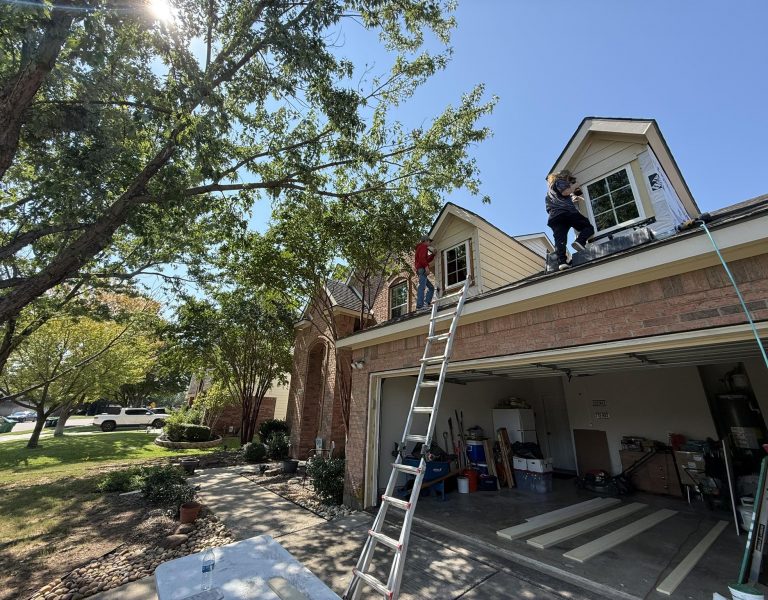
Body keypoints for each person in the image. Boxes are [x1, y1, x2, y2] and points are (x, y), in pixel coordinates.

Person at [545, 170, 595, 271]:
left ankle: (562, 262)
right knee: (588, 227)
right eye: (569, 180)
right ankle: (580, 241)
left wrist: (571, 199)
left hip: (554, 217)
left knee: (560, 241)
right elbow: (565, 192)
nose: (569, 183)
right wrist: (575, 185)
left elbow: (555, 203)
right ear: (565, 177)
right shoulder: (559, 181)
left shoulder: (548, 194)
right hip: (567, 212)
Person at [414, 235, 436, 310]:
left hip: (420, 269)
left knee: (431, 288)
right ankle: (420, 305)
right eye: (429, 241)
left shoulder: (420, 248)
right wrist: (426, 267)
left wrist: (433, 254)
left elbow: (426, 259)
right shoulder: (423, 247)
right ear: (425, 241)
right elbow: (422, 259)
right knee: (422, 286)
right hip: (422, 269)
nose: (430, 243)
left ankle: (426, 303)